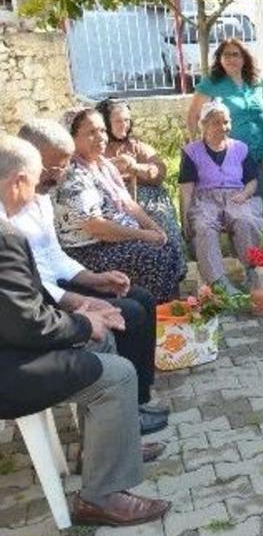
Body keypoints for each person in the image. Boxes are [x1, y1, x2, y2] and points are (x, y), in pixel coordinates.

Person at [0, 134, 171, 526]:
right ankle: (101, 495)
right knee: (117, 373)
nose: (44, 186)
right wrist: (82, 322)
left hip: (12, 345)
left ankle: (102, 450)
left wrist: (83, 304)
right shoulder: (5, 237)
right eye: (40, 177)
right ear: (18, 182)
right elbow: (27, 323)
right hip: (9, 365)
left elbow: (28, 296)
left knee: (105, 336)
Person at [16, 119, 168, 435]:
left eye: (63, 166)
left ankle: (137, 400)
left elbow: (53, 256)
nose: (59, 176)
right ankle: (122, 416)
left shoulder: (41, 196)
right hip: (38, 305)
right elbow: (28, 284)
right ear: (29, 161)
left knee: (140, 298)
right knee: (128, 314)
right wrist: (82, 301)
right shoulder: (8, 212)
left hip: (56, 287)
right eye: (53, 168)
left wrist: (95, 279)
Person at [52, 109, 186, 305]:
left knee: (168, 243)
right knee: (154, 256)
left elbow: (128, 203)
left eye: (103, 131)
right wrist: (143, 235)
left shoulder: (103, 165)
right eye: (91, 133)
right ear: (72, 138)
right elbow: (96, 227)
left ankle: (169, 311)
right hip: (90, 249)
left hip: (117, 238)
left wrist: (154, 228)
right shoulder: (72, 176)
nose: (101, 138)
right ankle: (155, 317)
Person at [179, 101, 263, 292]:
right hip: (205, 199)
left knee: (245, 221)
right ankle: (218, 282)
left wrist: (245, 194)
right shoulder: (192, 152)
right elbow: (186, 189)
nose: (222, 127)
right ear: (204, 125)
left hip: (237, 196)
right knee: (204, 226)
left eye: (225, 122)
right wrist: (185, 216)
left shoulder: (240, 148)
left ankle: (252, 271)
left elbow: (252, 180)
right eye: (216, 123)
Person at [186, 39, 263, 204]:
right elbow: (193, 116)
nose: (231, 59)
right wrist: (196, 145)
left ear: (244, 58)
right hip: (225, 154)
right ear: (219, 59)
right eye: (226, 55)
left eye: (235, 54)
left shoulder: (256, 83)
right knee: (230, 206)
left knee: (259, 203)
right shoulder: (211, 84)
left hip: (255, 153)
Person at [97, 99, 184, 252]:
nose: (124, 125)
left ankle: (173, 271)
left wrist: (135, 167)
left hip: (148, 200)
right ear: (105, 123)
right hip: (114, 202)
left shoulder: (136, 146)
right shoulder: (98, 148)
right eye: (118, 121)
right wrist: (113, 166)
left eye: (126, 120)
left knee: (164, 225)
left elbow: (159, 170)